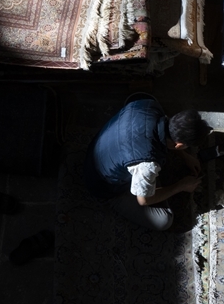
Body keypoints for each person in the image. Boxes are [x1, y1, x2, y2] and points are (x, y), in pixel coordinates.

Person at [82, 98, 210, 231]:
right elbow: (143, 200)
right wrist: (181, 186)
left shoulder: (150, 104)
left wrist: (185, 156)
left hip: (98, 149)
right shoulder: (147, 164)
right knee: (164, 221)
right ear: (179, 145)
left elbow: (170, 136)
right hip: (102, 184)